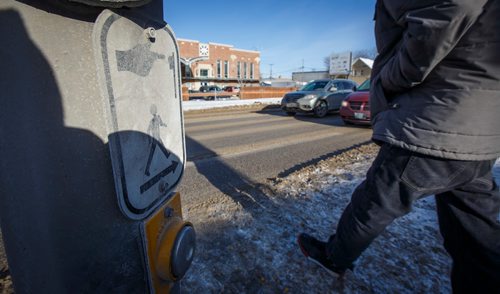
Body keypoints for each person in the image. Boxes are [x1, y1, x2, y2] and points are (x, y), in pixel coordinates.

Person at [298, 0, 500, 292]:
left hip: (433, 122)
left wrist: (387, 80)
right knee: (475, 232)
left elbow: (448, 13)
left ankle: (334, 257)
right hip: (479, 128)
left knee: (372, 204)